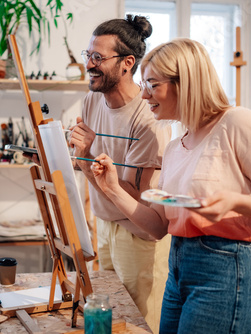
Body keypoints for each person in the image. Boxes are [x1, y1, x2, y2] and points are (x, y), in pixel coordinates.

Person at [89, 38, 251, 334]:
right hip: (180, 265)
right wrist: (111, 188)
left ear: (185, 83)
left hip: (229, 266)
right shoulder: (177, 146)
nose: (144, 95)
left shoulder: (240, 123)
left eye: (152, 85)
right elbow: (157, 227)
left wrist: (235, 202)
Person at [68, 15, 172, 333]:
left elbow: (134, 196)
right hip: (105, 224)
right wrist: (76, 156)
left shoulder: (147, 120)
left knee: (140, 323)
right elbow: (89, 171)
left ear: (127, 63)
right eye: (89, 55)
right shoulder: (91, 101)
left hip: (138, 234)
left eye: (98, 58)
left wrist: (83, 157)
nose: (89, 65)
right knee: (112, 319)